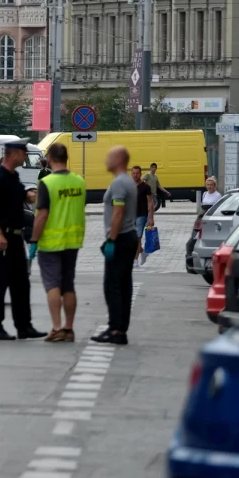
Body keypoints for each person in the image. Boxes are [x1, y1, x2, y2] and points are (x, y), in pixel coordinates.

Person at [0, 139, 46, 341]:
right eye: (23, 152)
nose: (26, 155)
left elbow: (19, 196)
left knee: (21, 284)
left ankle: (24, 326)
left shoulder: (12, 176)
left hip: (16, 238)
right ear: (14, 154)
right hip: (4, 238)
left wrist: (29, 195)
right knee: (0, 284)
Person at [30, 142, 86, 343]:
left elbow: (42, 214)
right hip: (73, 241)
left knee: (53, 284)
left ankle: (56, 328)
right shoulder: (79, 181)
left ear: (50, 159)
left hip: (51, 242)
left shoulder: (47, 183)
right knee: (68, 285)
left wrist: (34, 240)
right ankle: (69, 329)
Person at [93, 146, 140, 346]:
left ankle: (115, 329)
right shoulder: (127, 181)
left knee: (112, 285)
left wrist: (111, 240)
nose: (106, 159)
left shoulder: (120, 183)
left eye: (109, 156)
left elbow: (118, 213)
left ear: (119, 160)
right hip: (128, 237)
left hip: (120, 238)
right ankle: (120, 329)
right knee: (123, 284)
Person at [131, 166, 154, 268]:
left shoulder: (145, 187)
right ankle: (143, 252)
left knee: (137, 237)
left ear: (140, 174)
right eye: (133, 173)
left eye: (137, 173)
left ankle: (135, 260)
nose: (135, 175)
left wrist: (151, 217)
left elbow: (150, 202)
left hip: (141, 215)